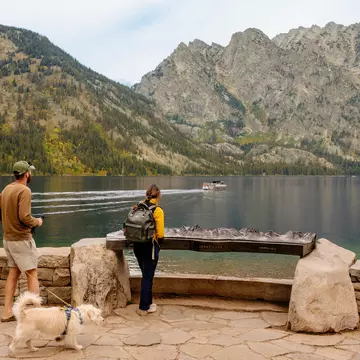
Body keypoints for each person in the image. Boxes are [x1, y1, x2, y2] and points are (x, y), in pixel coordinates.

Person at [0, 161, 43, 322]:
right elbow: (24, 216)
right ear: (26, 174)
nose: (30, 175)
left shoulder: (6, 189)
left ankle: (7, 313)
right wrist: (37, 222)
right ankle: (37, 316)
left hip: (8, 239)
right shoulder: (24, 190)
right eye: (29, 172)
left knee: (13, 273)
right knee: (32, 274)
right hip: (21, 240)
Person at [133, 184, 164, 315]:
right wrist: (159, 244)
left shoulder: (137, 207)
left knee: (146, 275)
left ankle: (149, 303)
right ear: (158, 195)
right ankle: (144, 307)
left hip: (137, 245)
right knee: (148, 277)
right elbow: (161, 234)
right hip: (150, 247)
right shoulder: (157, 211)